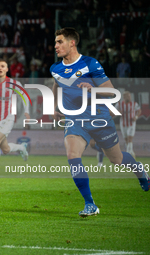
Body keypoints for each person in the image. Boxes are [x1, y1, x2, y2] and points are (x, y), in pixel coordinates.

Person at [50, 27, 149, 217]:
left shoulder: (90, 64)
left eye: (60, 41)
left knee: (117, 159)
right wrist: (54, 106)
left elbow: (111, 91)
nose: (56, 46)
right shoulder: (55, 68)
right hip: (75, 118)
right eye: (55, 42)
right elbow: (56, 84)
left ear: (72, 43)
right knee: (72, 155)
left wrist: (91, 89)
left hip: (98, 117)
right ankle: (90, 204)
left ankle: (139, 170)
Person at [115, 91, 141, 158]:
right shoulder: (120, 104)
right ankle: (131, 152)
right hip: (123, 123)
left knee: (130, 139)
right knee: (126, 140)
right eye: (128, 96)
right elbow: (114, 112)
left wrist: (136, 117)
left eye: (130, 96)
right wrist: (118, 112)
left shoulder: (134, 104)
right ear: (124, 97)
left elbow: (139, 111)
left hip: (131, 123)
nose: (129, 97)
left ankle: (128, 154)